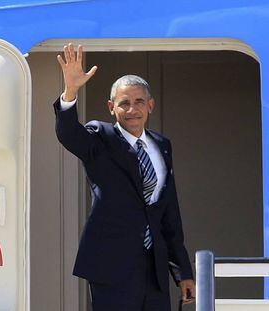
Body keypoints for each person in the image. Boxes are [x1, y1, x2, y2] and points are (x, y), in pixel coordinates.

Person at [53, 43, 195, 311]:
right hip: (112, 265)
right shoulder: (101, 137)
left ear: (150, 105)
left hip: (154, 269)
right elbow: (69, 134)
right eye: (124, 103)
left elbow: (169, 215)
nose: (132, 110)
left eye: (139, 102)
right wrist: (70, 92)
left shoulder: (162, 145)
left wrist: (182, 272)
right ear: (111, 107)